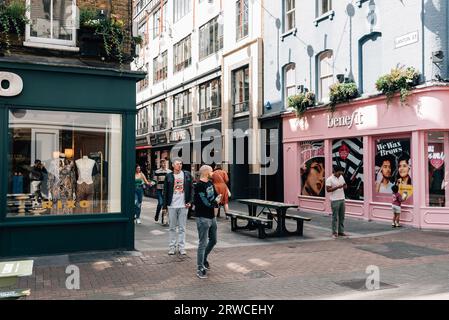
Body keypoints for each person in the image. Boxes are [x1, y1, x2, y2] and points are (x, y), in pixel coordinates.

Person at [194, 165, 222, 279]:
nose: (213, 173)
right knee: (202, 243)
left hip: (212, 217)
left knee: (214, 240)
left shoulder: (210, 183)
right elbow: (203, 202)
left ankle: (204, 258)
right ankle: (200, 267)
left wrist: (218, 198)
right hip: (202, 218)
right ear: (206, 172)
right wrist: (215, 203)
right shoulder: (199, 186)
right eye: (211, 171)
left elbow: (214, 195)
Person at [162, 159, 194, 256]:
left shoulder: (187, 174)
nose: (179, 165)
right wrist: (164, 206)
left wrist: (190, 202)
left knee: (182, 228)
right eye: (177, 164)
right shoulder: (168, 176)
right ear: (173, 165)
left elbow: (192, 189)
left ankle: (181, 247)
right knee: (172, 228)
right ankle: (172, 247)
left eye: (180, 163)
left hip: (183, 205)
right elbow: (165, 192)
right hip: (172, 205)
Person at [326, 166, 348, 238]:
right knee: (335, 217)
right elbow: (328, 190)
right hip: (334, 200)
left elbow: (345, 185)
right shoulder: (329, 179)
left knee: (342, 217)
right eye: (340, 172)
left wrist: (345, 186)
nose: (341, 173)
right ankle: (334, 232)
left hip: (342, 199)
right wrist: (337, 187)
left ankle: (341, 232)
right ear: (335, 172)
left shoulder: (341, 177)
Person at [153, 159, 171, 223]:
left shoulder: (169, 172)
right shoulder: (157, 171)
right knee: (160, 203)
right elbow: (155, 180)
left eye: (164, 163)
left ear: (166, 163)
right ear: (160, 164)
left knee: (165, 204)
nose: (163, 164)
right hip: (159, 189)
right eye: (162, 163)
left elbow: (170, 181)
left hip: (167, 190)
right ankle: (157, 214)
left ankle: (163, 219)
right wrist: (151, 184)